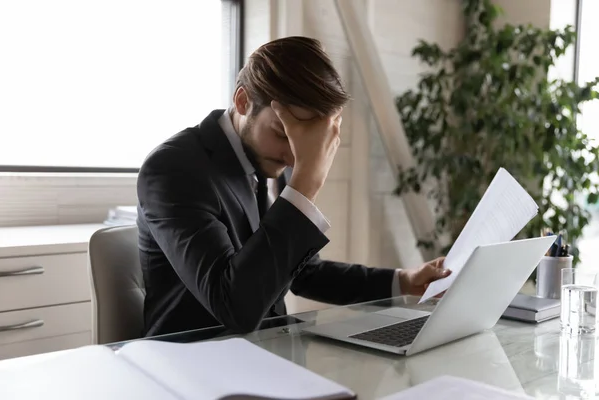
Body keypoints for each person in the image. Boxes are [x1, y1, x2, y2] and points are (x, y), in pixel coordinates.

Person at [136, 36, 450, 337]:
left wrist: (403, 281)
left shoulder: (272, 157)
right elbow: (233, 307)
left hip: (268, 358)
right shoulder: (174, 169)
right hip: (190, 367)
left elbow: (302, 272)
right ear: (243, 101)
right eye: (283, 134)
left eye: (304, 142)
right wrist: (304, 187)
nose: (293, 157)